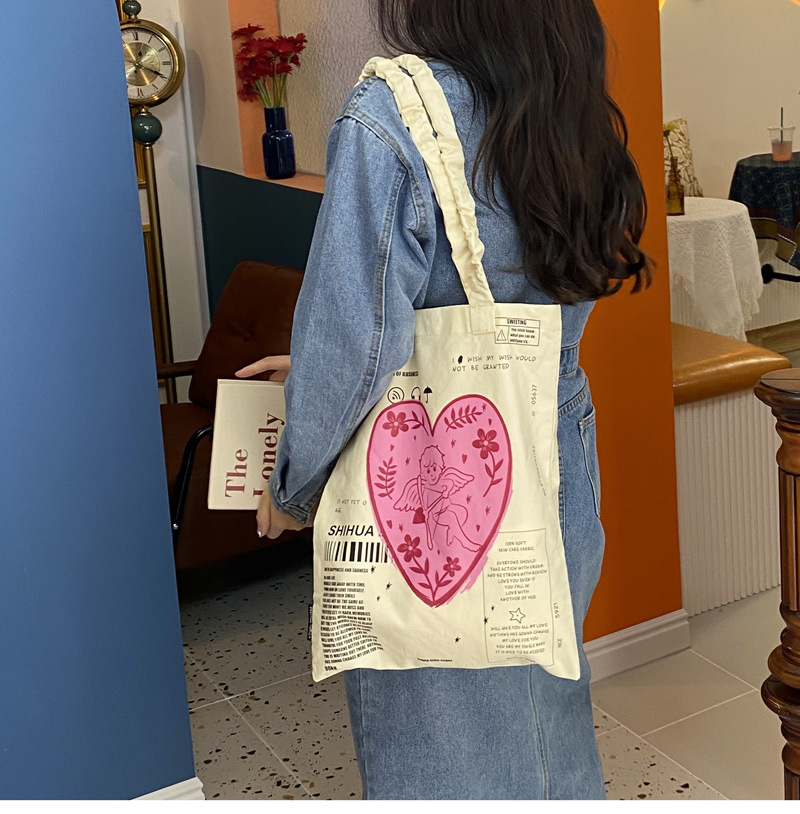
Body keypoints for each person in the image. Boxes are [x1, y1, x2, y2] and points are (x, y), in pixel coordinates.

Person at [236, 0, 650, 800]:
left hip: (434, 480)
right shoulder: (564, 98)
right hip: (554, 449)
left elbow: (355, 342)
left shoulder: (393, 111)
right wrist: (340, 361)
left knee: (443, 751)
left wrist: (291, 488)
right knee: (545, 719)